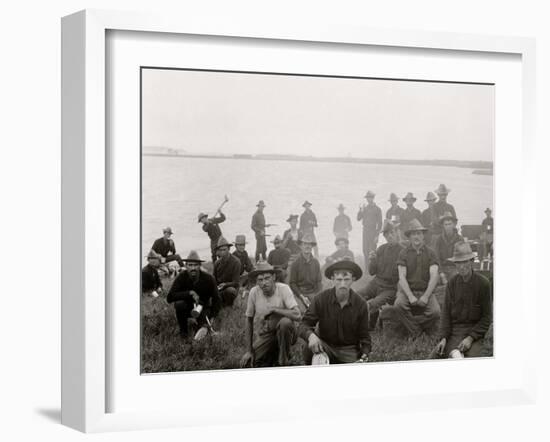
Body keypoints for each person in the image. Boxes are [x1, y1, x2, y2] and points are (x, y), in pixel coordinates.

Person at [299, 259, 370, 365]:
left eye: (346, 279)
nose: (342, 284)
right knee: (308, 346)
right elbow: (303, 325)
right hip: (325, 346)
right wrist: (311, 336)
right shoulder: (320, 299)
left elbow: (364, 335)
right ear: (332, 279)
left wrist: (365, 353)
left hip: (348, 350)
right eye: (339, 279)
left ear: (353, 279)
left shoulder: (361, 304)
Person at [431, 242, 492, 359]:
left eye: (465, 261)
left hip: (474, 335)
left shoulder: (483, 284)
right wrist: (443, 338)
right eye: (458, 262)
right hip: (454, 333)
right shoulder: (452, 284)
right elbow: (445, 315)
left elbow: (487, 317)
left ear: (472, 261)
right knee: (434, 358)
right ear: (455, 264)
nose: (462, 266)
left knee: (471, 361)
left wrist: (470, 338)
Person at [383, 218, 440, 337]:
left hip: (425, 291)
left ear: (423, 235)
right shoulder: (403, 253)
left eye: (419, 233)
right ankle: (418, 332)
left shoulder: (431, 253)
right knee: (399, 304)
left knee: (435, 312)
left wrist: (425, 296)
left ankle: (412, 328)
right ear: (409, 236)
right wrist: (410, 296)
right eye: (413, 233)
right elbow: (401, 277)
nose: (416, 237)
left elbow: (434, 276)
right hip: (407, 290)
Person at [240, 262, 301, 368]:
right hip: (267, 334)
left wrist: (275, 310)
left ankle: (284, 362)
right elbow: (249, 319)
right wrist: (249, 351)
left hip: (287, 332)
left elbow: (297, 315)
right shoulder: (254, 292)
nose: (264, 283)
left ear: (274, 277)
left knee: (285, 323)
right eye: (260, 280)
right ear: (256, 281)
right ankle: (276, 352)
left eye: (267, 278)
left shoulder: (284, 289)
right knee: (250, 363)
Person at [166, 251, 221, 338]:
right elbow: (169, 297)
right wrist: (189, 293)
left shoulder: (209, 278)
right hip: (187, 307)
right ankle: (183, 332)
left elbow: (217, 300)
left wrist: (212, 317)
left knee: (202, 331)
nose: (193, 268)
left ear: (200, 266)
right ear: (186, 266)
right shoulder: (181, 277)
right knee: (179, 304)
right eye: (190, 265)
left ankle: (202, 325)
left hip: (203, 307)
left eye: (195, 265)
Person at [360, 220, 403, 329]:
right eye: (386, 234)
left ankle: (370, 326)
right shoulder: (381, 249)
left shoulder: (403, 251)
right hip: (376, 283)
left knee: (373, 304)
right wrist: (372, 260)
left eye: (392, 232)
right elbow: (372, 272)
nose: (390, 236)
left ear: (397, 232)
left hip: (390, 288)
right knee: (357, 296)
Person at [289, 233, 323, 311]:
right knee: (302, 312)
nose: (307, 246)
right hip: (300, 294)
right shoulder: (295, 263)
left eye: (309, 244)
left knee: (321, 311)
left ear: (312, 246)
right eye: (305, 244)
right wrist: (301, 296)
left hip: (313, 293)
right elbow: (292, 283)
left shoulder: (316, 262)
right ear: (301, 246)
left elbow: (319, 281)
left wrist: (317, 296)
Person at [434, 211, 464, 284]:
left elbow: (462, 258)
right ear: (443, 226)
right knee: (435, 281)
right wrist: (441, 274)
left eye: (450, 224)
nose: (448, 227)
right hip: (442, 268)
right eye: (446, 224)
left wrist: (458, 270)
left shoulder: (459, 239)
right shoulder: (439, 239)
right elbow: (436, 258)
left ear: (454, 225)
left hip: (455, 268)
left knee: (455, 281)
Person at [357, 190, 383, 268]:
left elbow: (380, 223)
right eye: (368, 197)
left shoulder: (377, 209)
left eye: (370, 197)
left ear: (373, 198)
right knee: (365, 250)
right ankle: (367, 269)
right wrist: (360, 210)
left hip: (373, 231)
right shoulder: (364, 208)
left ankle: (373, 268)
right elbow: (358, 218)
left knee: (372, 250)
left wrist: (377, 236)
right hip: (365, 231)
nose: (369, 199)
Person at [213, 236, 241, 307]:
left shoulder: (236, 262)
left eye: (224, 250)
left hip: (231, 287)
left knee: (230, 291)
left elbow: (236, 282)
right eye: (220, 250)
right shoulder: (217, 263)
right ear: (218, 251)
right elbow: (214, 279)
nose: (222, 252)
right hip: (219, 289)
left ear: (229, 249)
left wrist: (225, 284)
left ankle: (227, 303)